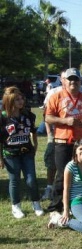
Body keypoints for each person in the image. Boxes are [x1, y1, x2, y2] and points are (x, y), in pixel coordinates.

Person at [45, 68, 82, 212]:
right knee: (62, 175)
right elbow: (47, 117)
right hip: (62, 142)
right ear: (64, 81)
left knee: (80, 174)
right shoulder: (56, 97)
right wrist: (65, 121)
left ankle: (75, 204)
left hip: (80, 144)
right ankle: (55, 208)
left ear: (80, 81)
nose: (73, 81)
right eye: (70, 79)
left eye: (76, 79)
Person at [0, 87, 43, 218]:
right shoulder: (3, 118)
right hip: (10, 154)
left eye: (21, 98)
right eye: (17, 99)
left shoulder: (27, 115)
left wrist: (35, 144)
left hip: (26, 152)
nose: (21, 101)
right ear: (9, 101)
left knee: (31, 179)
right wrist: (0, 158)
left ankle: (36, 203)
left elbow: (33, 131)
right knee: (15, 180)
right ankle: (16, 207)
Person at [41, 70, 66, 201]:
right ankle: (49, 188)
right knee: (52, 163)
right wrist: (49, 133)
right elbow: (46, 115)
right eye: (64, 78)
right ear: (61, 79)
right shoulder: (53, 92)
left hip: (69, 136)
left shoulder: (77, 93)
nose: (67, 80)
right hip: (54, 133)